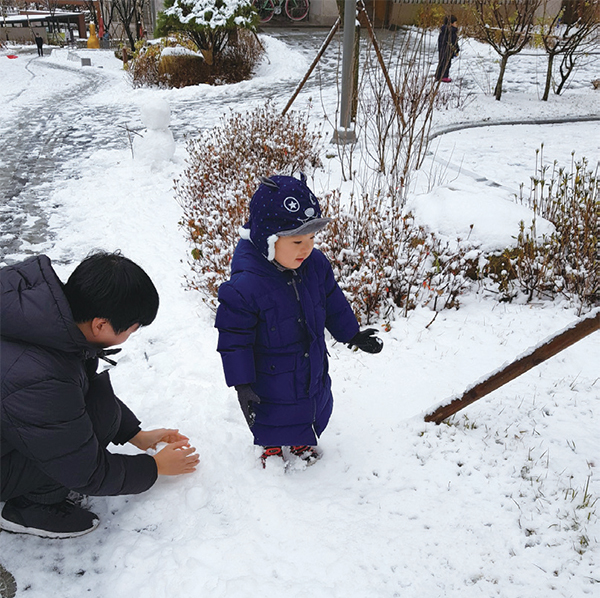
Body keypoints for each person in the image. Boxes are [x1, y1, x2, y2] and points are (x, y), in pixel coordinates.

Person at [0, 252, 199, 538]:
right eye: (131, 329)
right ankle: (28, 508)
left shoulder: (42, 318)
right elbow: (84, 472)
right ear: (101, 325)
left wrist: (135, 434)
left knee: (98, 412)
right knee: (89, 430)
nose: (131, 335)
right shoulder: (40, 374)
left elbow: (77, 392)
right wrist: (154, 467)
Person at [215, 175, 383, 469]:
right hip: (269, 372)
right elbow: (234, 341)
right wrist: (242, 384)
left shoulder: (315, 265)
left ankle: (302, 439)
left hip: (311, 361)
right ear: (267, 240)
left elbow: (332, 301)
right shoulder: (244, 287)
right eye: (296, 241)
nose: (306, 248)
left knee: (311, 400)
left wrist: (351, 334)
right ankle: (271, 448)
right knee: (272, 410)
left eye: (311, 239)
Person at [435, 15, 459, 83]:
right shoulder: (452, 32)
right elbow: (454, 42)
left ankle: (438, 75)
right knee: (447, 63)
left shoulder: (443, 31)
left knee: (441, 62)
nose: (456, 25)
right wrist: (456, 49)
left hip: (442, 49)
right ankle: (444, 76)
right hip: (448, 50)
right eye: (455, 23)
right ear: (451, 23)